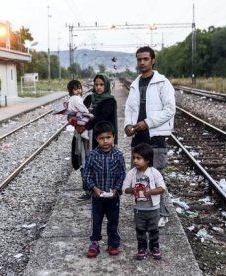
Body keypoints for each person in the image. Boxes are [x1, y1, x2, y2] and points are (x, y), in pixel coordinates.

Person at [124, 46, 176, 227]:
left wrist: (147, 123)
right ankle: (144, 211)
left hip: (156, 137)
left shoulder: (163, 83)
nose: (142, 62)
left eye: (145, 59)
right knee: (139, 177)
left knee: (157, 176)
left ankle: (162, 213)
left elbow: (170, 110)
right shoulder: (134, 84)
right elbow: (130, 109)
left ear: (153, 60)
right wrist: (127, 125)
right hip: (138, 138)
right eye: (139, 59)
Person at [83, 121, 126, 258]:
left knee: (113, 221)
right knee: (96, 220)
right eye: (101, 138)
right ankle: (94, 243)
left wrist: (116, 189)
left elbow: (122, 175)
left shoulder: (118, 155)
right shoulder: (92, 155)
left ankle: (113, 244)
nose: (105, 141)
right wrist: (93, 188)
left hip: (113, 197)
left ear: (113, 137)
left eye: (108, 137)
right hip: (97, 197)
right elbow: (87, 174)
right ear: (96, 139)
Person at [74, 73, 118, 201]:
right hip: (86, 137)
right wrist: (77, 122)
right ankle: (88, 190)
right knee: (86, 163)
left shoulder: (109, 100)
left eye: (101, 84)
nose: (98, 87)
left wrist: (86, 124)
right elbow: (80, 112)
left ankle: (104, 189)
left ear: (106, 85)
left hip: (101, 137)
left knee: (102, 163)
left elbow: (102, 117)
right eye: (96, 84)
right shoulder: (89, 98)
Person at [122, 143, 166, 260]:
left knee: (154, 230)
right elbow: (124, 188)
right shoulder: (132, 173)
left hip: (153, 208)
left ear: (147, 160)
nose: (135, 161)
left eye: (138, 158)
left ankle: (154, 247)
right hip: (139, 209)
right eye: (134, 158)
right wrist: (133, 189)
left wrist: (150, 191)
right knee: (140, 230)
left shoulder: (154, 173)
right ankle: (141, 248)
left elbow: (162, 188)